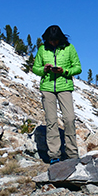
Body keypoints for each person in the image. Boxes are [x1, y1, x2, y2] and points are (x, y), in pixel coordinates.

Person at [32, 25, 82, 163]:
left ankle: (72, 154)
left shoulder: (69, 48)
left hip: (64, 86)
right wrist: (44, 69)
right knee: (51, 121)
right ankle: (54, 155)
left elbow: (77, 67)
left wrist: (64, 71)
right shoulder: (42, 49)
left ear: (60, 38)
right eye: (50, 40)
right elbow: (35, 68)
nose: (53, 43)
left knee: (69, 119)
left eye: (55, 40)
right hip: (47, 87)